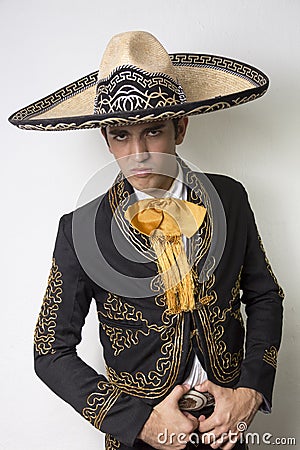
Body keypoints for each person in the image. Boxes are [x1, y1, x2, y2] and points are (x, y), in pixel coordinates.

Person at [9, 31, 284, 450]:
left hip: (226, 433)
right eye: (121, 135)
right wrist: (136, 422)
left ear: (181, 127)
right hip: (140, 440)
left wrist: (251, 392)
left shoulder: (230, 198)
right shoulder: (80, 229)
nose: (138, 153)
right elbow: (50, 351)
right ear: (106, 138)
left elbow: (265, 296)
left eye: (153, 131)